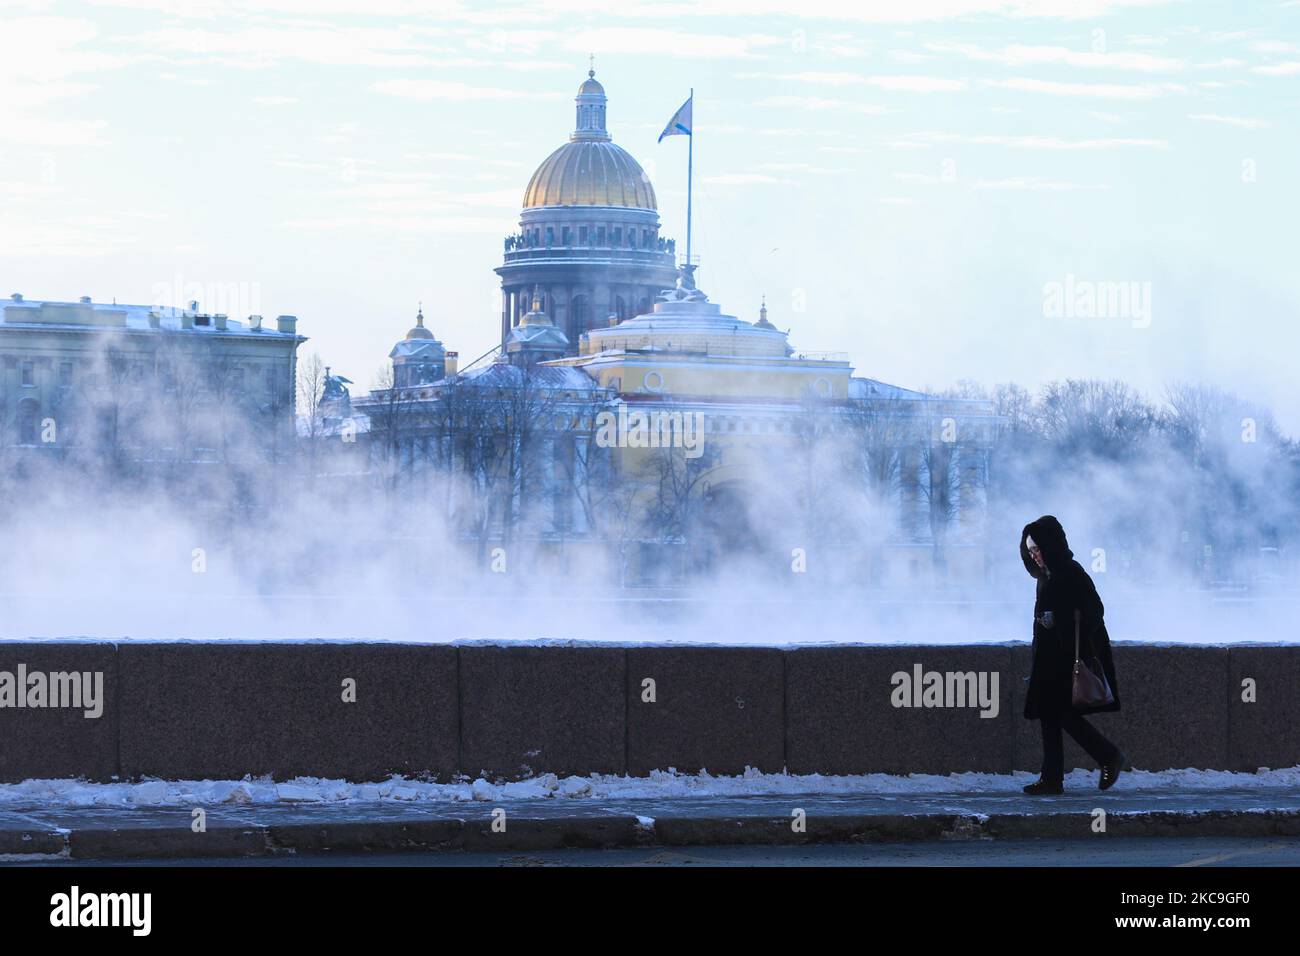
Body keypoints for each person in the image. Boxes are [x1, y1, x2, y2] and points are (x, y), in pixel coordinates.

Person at [1019, 515, 1126, 795]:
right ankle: (1053, 777)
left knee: (1060, 715)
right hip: (1050, 660)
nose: (1034, 556)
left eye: (1037, 549)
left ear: (1051, 545)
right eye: (1030, 551)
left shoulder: (1071, 572)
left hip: (1065, 661)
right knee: (1051, 716)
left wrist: (1059, 620)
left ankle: (1106, 756)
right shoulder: (1047, 577)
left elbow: (1094, 612)